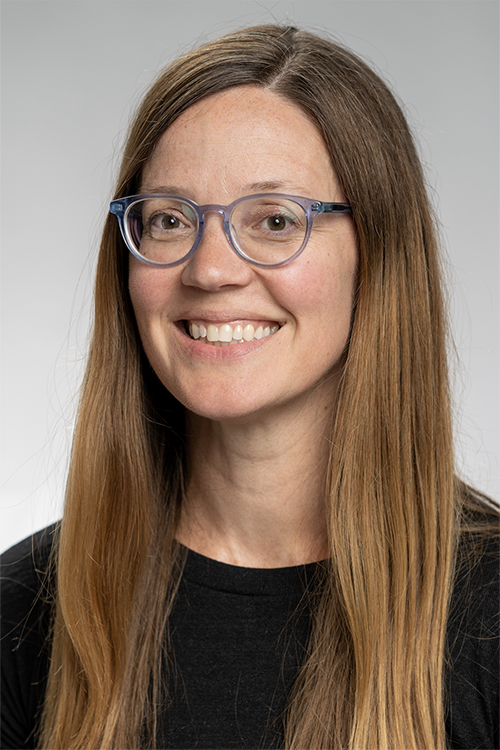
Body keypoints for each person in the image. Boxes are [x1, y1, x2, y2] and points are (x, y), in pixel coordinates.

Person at [1, 23, 499, 750]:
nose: (209, 270)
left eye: (274, 220)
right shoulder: (26, 611)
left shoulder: (488, 614)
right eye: (170, 219)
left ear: (379, 256)